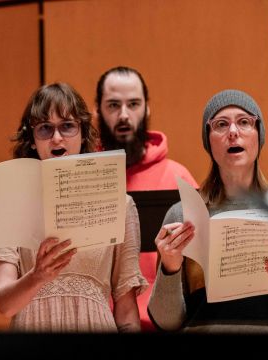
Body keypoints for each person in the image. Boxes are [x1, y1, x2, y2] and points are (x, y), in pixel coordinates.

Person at [147, 89, 268, 333]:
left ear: (259, 135)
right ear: (208, 140)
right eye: (221, 124)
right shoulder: (183, 214)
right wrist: (170, 267)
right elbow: (167, 322)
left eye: (244, 122)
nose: (233, 132)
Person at [0, 83, 148, 332]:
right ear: (32, 140)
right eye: (45, 129)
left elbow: (126, 314)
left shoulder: (120, 204)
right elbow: (5, 305)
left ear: (83, 134)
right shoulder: (7, 202)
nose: (57, 138)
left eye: (67, 126)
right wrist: (37, 276)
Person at [95, 66, 198, 330]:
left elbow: (199, 267)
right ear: (97, 111)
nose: (124, 115)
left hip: (165, 324)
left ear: (147, 109)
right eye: (113, 105)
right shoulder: (83, 176)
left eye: (134, 104)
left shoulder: (179, 177)